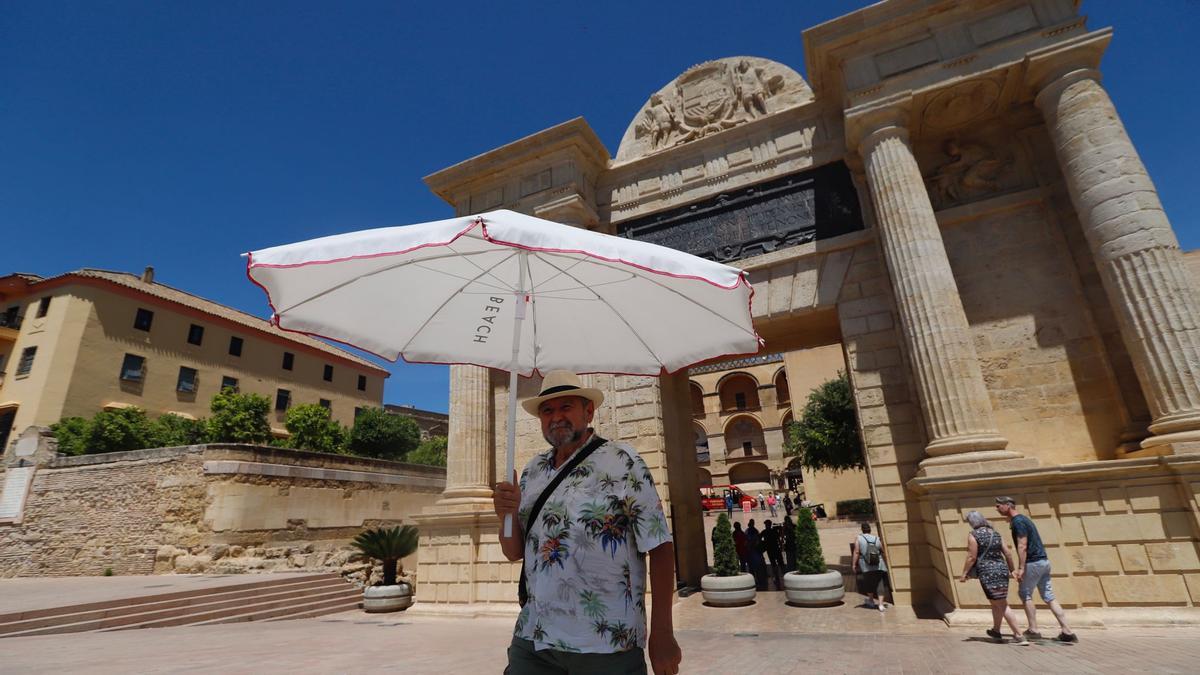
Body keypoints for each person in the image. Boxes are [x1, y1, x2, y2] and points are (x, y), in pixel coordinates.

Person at [493, 371, 683, 674]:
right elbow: (514, 552)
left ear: (588, 412)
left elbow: (659, 546)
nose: (556, 417)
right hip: (534, 638)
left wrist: (663, 631)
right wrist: (505, 513)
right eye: (547, 410)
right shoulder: (532, 472)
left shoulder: (622, 460)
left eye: (566, 407)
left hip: (606, 642)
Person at [995, 496, 1077, 643]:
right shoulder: (1024, 519)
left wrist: (1020, 567)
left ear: (1008, 505)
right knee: (1049, 596)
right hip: (1043, 561)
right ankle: (1067, 631)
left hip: (1032, 562)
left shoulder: (1018, 521)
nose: (997, 508)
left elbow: (1022, 545)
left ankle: (1033, 629)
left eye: (999, 505)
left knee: (1025, 593)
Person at [957, 511, 1026, 644]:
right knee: (995, 602)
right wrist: (1012, 570)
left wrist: (964, 573)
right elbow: (1008, 553)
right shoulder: (995, 533)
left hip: (987, 572)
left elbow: (972, 556)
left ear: (972, 522)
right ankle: (996, 630)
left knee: (1002, 604)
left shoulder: (974, 535)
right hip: (1002, 570)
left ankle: (1019, 635)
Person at [850, 523, 889, 612]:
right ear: (870, 530)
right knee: (880, 583)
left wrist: (854, 564)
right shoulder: (876, 539)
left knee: (868, 582)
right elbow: (882, 551)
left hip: (865, 565)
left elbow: (856, 552)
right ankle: (881, 605)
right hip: (879, 565)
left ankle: (871, 601)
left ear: (862, 529)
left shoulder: (859, 538)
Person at [745, 519, 768, 591]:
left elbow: (747, 542)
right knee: (757, 567)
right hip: (755, 552)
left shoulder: (748, 531)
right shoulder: (755, 531)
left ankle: (754, 581)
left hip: (752, 552)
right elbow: (758, 541)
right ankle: (759, 581)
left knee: (753, 567)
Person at [761, 519, 784, 590]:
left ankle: (777, 576)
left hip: (772, 550)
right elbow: (779, 539)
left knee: (776, 563)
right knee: (779, 563)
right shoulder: (773, 531)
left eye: (766, 524)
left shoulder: (765, 532)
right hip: (775, 549)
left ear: (768, 525)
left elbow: (759, 539)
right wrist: (781, 546)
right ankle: (780, 576)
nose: (765, 525)